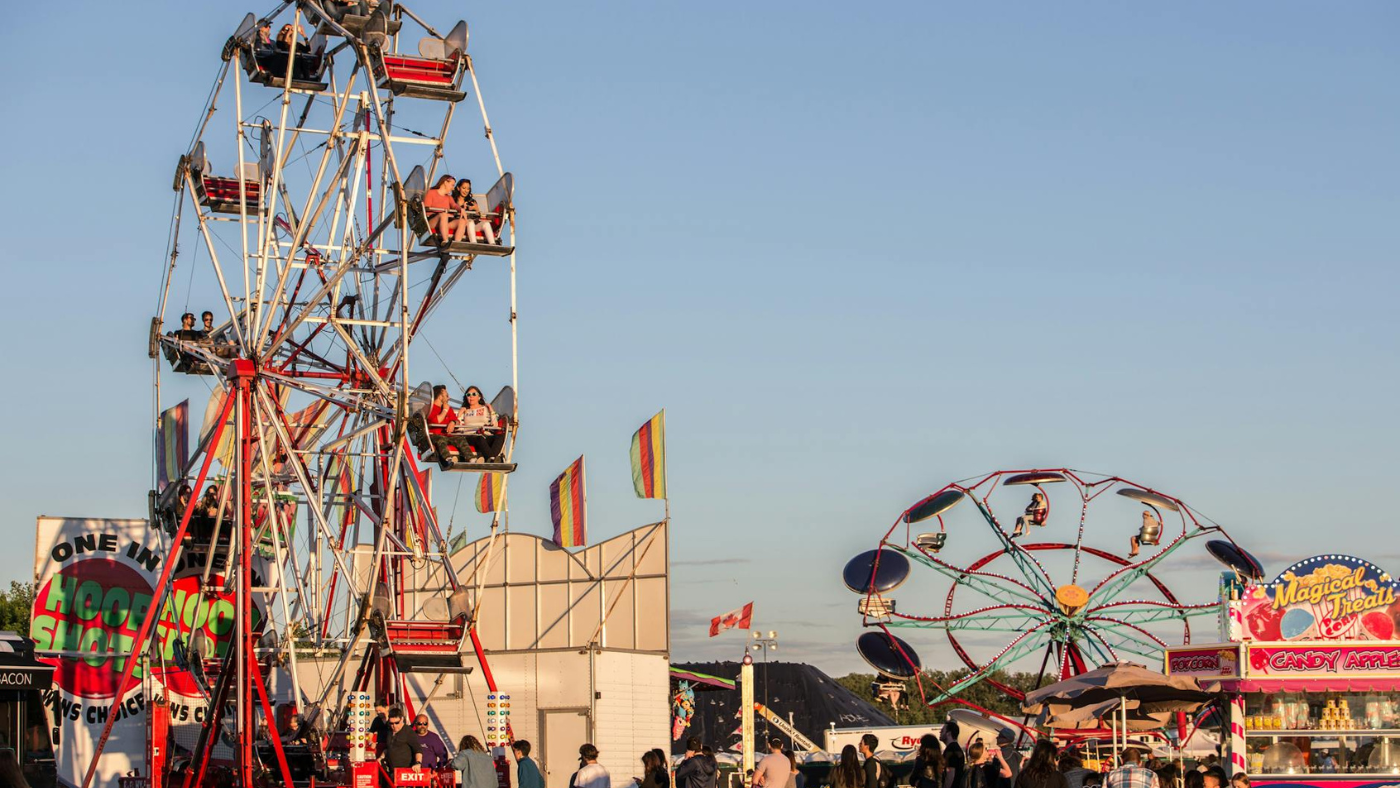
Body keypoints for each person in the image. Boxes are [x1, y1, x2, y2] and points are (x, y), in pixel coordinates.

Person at [426, 385, 473, 469]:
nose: (449, 397)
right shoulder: (430, 408)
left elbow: (456, 420)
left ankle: (471, 459)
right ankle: (447, 459)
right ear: (440, 397)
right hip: (434, 436)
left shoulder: (449, 409)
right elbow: (436, 421)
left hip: (447, 435)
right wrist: (445, 410)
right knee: (441, 440)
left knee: (460, 439)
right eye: (447, 395)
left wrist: (453, 422)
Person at [457, 385, 504, 462]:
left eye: (474, 394)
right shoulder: (465, 411)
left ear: (479, 397)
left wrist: (491, 410)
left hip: (484, 435)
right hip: (470, 436)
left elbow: (494, 425)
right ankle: (491, 458)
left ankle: (491, 457)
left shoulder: (485, 409)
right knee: (479, 438)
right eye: (468, 395)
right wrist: (459, 414)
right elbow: (459, 428)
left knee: (499, 437)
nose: (471, 397)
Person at [452, 178, 498, 245]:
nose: (466, 191)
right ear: (458, 188)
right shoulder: (453, 200)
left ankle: (493, 244)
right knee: (470, 222)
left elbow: (478, 216)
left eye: (468, 189)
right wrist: (462, 208)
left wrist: (476, 209)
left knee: (486, 224)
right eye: (464, 188)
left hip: (473, 223)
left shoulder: (472, 201)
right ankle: (473, 243)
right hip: (461, 223)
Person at [379, 707, 424, 775]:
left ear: (402, 719)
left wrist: (418, 763)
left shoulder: (408, 732)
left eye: (397, 723)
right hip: (391, 771)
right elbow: (389, 748)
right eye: (391, 723)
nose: (394, 726)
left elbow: (418, 750)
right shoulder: (389, 731)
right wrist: (381, 757)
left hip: (405, 772)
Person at [424, 175, 468, 244]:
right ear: (445, 182)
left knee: (462, 221)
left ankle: (456, 243)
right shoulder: (431, 193)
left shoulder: (448, 197)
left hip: (445, 221)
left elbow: (454, 205)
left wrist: (461, 209)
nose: (453, 188)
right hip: (433, 221)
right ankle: (445, 241)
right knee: (443, 215)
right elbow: (426, 209)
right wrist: (439, 213)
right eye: (452, 185)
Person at [942, 721, 967, 788]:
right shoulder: (956, 748)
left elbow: (950, 774)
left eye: (942, 731)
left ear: (949, 733)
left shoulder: (950, 750)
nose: (940, 733)